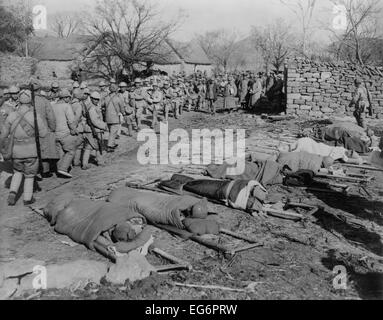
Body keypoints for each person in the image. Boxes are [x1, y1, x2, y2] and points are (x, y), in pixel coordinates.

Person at [0, 91, 48, 206]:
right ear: (30, 101)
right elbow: (44, 134)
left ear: (19, 101)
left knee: (17, 172)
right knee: (30, 175)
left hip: (16, 151)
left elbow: (4, 135)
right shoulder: (34, 116)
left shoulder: (12, 115)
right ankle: (27, 198)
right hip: (31, 151)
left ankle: (12, 193)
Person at [51, 89, 82, 178]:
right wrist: (74, 130)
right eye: (68, 97)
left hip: (55, 133)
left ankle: (59, 168)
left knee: (60, 152)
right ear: (65, 98)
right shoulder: (66, 106)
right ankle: (63, 169)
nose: (69, 99)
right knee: (71, 150)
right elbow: (71, 121)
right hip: (65, 133)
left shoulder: (53, 106)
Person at [31, 81, 58, 177]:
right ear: (39, 89)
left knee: (32, 150)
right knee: (44, 149)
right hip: (43, 128)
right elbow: (50, 116)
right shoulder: (44, 101)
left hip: (29, 130)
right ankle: (45, 171)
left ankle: (33, 171)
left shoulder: (26, 100)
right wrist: (52, 128)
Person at [82, 92, 108, 170]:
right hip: (94, 130)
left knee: (89, 147)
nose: (96, 101)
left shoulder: (91, 106)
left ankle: (85, 163)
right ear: (91, 99)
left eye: (97, 99)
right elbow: (94, 121)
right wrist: (104, 126)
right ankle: (100, 162)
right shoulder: (92, 108)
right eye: (95, 99)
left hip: (90, 130)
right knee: (98, 146)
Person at [104, 83, 124, 153]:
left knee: (111, 131)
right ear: (116, 90)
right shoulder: (118, 98)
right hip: (115, 117)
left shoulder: (106, 98)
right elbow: (122, 108)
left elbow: (103, 106)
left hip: (107, 117)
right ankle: (109, 146)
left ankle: (113, 143)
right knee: (113, 132)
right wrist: (123, 113)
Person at [71, 88, 85, 167]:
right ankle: (76, 161)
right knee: (79, 146)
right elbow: (77, 117)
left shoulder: (71, 103)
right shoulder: (78, 105)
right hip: (78, 127)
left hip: (71, 126)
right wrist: (74, 127)